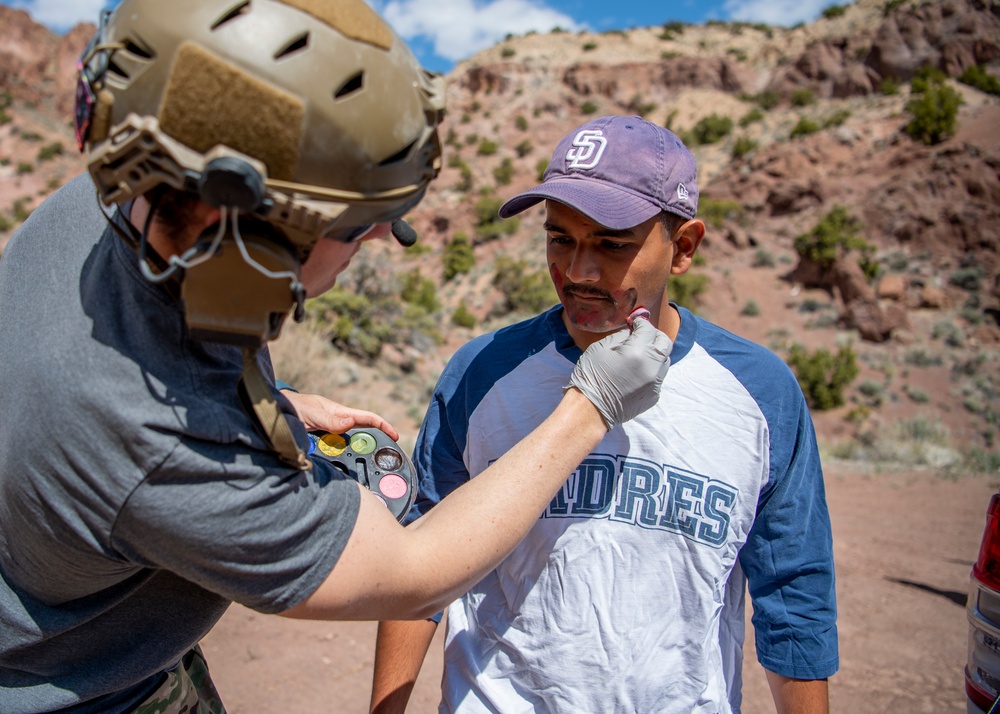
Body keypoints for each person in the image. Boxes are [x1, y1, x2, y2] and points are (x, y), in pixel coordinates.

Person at [0, 4, 673, 711]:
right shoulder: (164, 445)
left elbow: (126, 375)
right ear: (248, 227)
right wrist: (591, 404)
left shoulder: (121, 201)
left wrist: (265, 399)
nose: (382, 238)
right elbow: (417, 571)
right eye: (355, 224)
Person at [371, 115, 839, 714]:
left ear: (684, 247)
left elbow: (792, 591)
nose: (577, 272)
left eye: (612, 244)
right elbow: (421, 559)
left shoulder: (759, 393)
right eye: (560, 238)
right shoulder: (483, 372)